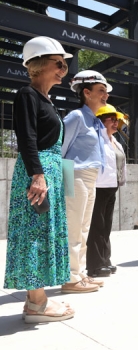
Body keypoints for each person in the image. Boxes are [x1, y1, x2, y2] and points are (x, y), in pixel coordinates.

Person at [3, 36, 75, 323]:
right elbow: (27, 138)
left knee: (44, 231)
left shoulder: (47, 99)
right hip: (39, 170)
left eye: (64, 65)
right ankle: (37, 304)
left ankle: (36, 299)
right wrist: (37, 175)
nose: (63, 69)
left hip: (50, 169)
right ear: (39, 64)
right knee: (34, 231)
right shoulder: (27, 94)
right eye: (58, 63)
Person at [61, 70, 111, 292]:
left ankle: (80, 272)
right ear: (87, 92)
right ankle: (70, 277)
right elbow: (60, 149)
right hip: (74, 173)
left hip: (90, 177)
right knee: (73, 226)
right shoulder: (77, 117)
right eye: (101, 91)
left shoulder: (96, 122)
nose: (105, 96)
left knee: (83, 227)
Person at [86, 104, 126, 277]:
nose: (116, 123)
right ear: (101, 121)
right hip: (99, 186)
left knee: (106, 226)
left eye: (117, 120)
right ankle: (95, 265)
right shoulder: (96, 138)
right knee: (97, 226)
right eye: (112, 119)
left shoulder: (114, 141)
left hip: (111, 186)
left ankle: (105, 259)